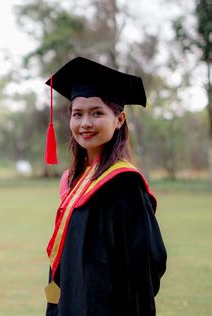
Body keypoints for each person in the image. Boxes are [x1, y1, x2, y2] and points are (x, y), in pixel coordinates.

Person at [43, 57, 167, 316]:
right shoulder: (75, 181)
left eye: (97, 113)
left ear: (119, 119)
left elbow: (147, 266)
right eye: (78, 114)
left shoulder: (125, 184)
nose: (85, 123)